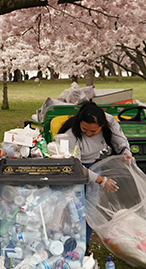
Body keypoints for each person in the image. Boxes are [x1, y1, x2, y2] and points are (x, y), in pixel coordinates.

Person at [54, 101, 133, 249]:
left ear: (102, 126)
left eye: (93, 131)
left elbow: (120, 140)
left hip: (94, 164)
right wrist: (101, 180)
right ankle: (66, 242)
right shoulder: (70, 134)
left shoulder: (109, 122)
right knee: (72, 207)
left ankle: (84, 245)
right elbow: (75, 167)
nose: (88, 133)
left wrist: (125, 152)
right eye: (85, 129)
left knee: (89, 208)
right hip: (72, 169)